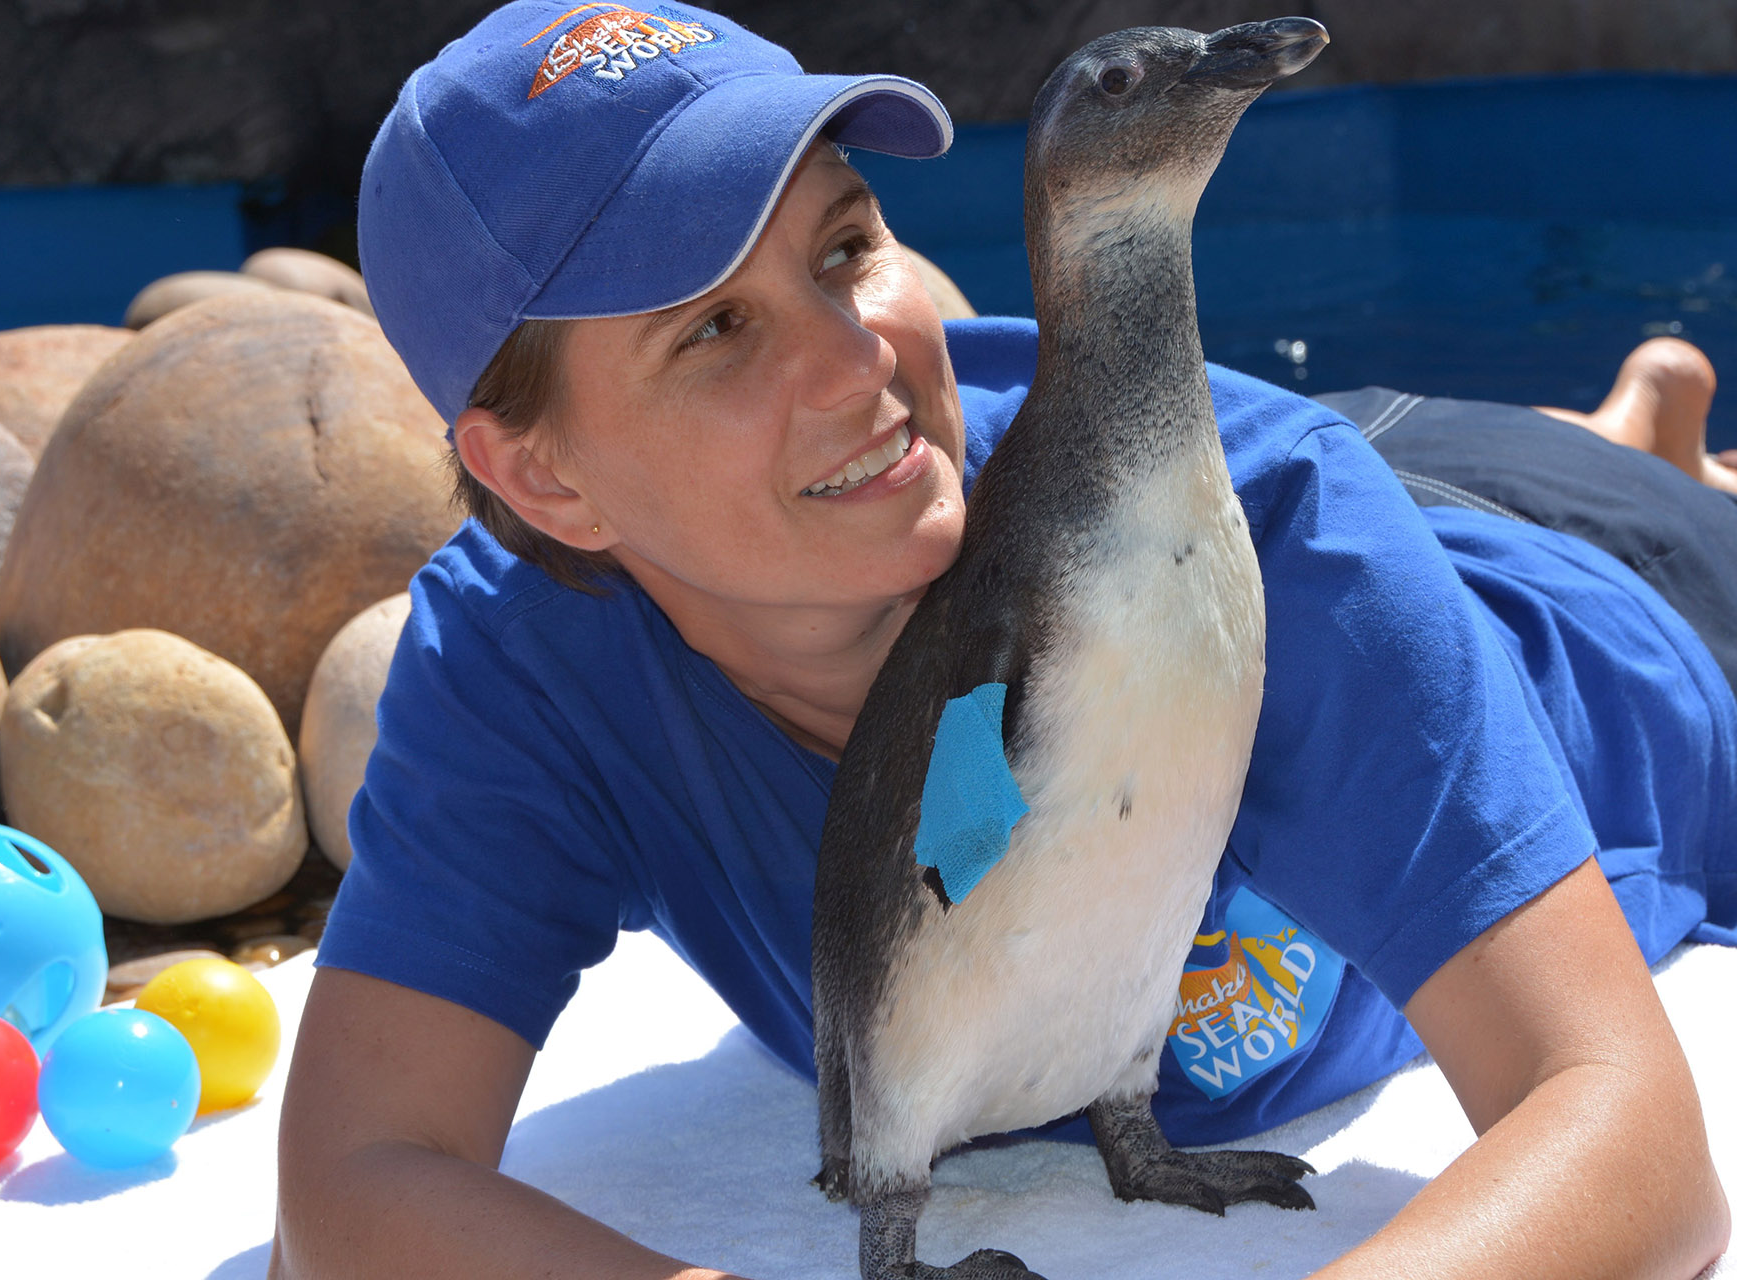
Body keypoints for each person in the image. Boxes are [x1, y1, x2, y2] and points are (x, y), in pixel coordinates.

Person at [269, 4, 1737, 1277]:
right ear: (546, 482)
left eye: (846, 245)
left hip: (1609, 582)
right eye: (714, 330)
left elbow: (1637, 1146)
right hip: (1350, 461)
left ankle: (1645, 440)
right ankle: (1628, 418)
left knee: (1601, 501)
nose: (857, 360)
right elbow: (347, 1200)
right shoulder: (529, 659)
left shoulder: (1276, 539)